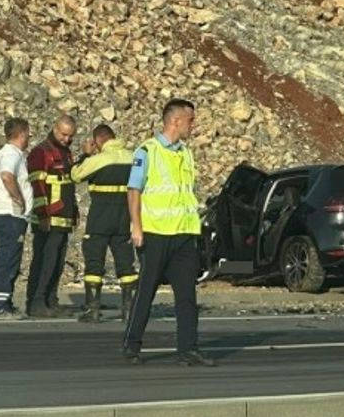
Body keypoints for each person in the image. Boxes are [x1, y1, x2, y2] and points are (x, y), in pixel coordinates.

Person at [120, 99, 215, 366]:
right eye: (191, 120)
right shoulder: (147, 152)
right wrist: (136, 226)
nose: (193, 125)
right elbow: (133, 190)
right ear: (175, 121)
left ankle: (189, 348)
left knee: (187, 296)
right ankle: (132, 344)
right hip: (156, 234)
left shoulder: (185, 153)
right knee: (146, 291)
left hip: (184, 235)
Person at [70, 124, 139, 323]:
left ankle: (93, 309)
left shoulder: (98, 160)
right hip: (124, 219)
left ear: (98, 140)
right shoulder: (133, 157)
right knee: (126, 264)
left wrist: (85, 155)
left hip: (99, 220)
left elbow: (75, 174)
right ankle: (129, 310)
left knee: (94, 263)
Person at [25, 115, 78, 318]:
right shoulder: (41, 152)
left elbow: (68, 184)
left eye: (70, 136)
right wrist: (42, 214)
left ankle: (51, 300)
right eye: (63, 134)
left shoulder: (65, 153)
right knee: (45, 261)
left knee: (57, 261)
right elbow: (37, 185)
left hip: (63, 218)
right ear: (54, 129)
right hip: (48, 218)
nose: (66, 139)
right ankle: (37, 302)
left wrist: (74, 212)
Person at [0, 118, 33, 320]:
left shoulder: (12, 154)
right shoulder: (10, 154)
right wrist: (19, 199)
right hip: (10, 215)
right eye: (28, 134)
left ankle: (5, 301)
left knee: (10, 258)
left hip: (10, 216)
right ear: (22, 134)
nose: (29, 137)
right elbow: (7, 176)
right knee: (7, 258)